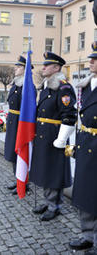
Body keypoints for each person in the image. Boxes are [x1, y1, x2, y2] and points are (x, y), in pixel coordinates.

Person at [29, 52, 77, 221]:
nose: (43, 67)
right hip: (43, 134)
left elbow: (70, 114)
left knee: (54, 170)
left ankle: (55, 205)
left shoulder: (63, 88)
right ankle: (47, 200)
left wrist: (62, 139)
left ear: (56, 68)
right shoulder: (46, 86)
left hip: (55, 135)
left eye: (46, 65)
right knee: (44, 169)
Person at [69, 42, 97, 254]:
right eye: (91, 59)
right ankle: (87, 235)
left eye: (95, 60)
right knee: (86, 192)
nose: (91, 63)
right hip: (86, 142)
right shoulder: (87, 84)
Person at [4, 55, 33, 195]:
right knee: (12, 151)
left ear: (25, 69)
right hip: (12, 121)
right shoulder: (15, 85)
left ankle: (24, 182)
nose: (16, 68)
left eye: (19, 66)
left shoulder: (28, 87)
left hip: (20, 123)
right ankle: (18, 179)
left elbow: (29, 109)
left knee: (20, 151)